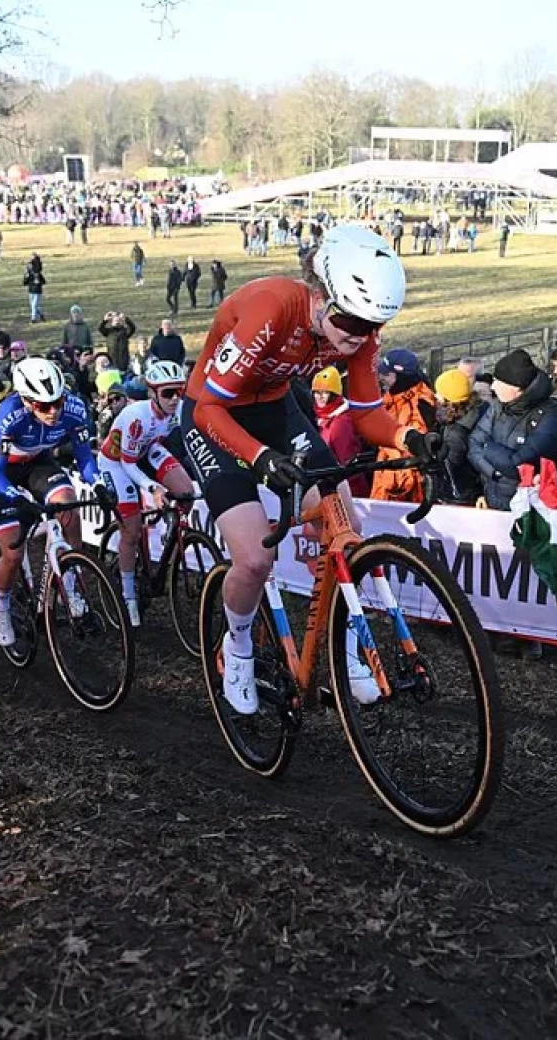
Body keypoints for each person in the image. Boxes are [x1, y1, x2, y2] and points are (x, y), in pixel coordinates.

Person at [179, 224, 434, 714]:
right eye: (349, 323)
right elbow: (211, 410)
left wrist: (408, 437)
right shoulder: (271, 308)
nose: (355, 339)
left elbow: (365, 413)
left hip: (276, 409)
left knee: (346, 526)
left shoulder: (359, 328)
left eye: (368, 327)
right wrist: (258, 458)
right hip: (213, 414)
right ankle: (237, 646)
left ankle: (339, 646)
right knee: (255, 559)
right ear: (321, 294)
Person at [0, 357, 103, 647]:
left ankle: (71, 588)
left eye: (58, 401)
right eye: (43, 406)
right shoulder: (8, 413)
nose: (53, 411)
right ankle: (0, 608)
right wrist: (16, 497)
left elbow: (85, 458)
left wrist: (99, 484)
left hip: (38, 462)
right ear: (25, 400)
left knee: (69, 506)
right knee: (12, 555)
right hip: (2, 469)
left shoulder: (74, 408)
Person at [96, 360, 195, 627]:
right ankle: (128, 597)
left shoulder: (179, 409)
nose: (175, 399)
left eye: (179, 391)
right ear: (153, 393)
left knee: (186, 492)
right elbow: (128, 463)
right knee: (131, 529)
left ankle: (167, 530)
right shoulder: (136, 416)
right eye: (167, 393)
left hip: (148, 449)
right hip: (116, 462)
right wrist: (152, 488)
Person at [467, 348, 557, 511]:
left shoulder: (551, 416)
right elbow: (474, 443)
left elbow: (520, 464)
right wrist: (494, 474)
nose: (493, 387)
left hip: (529, 509)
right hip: (493, 501)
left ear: (516, 387)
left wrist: (487, 447)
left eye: (497, 382)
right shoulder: (497, 407)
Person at [369, 348, 437, 503]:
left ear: (401, 377)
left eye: (387, 375)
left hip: (403, 482)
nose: (381, 378)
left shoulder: (420, 403)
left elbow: (417, 447)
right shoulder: (394, 396)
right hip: (387, 471)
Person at [310, 366, 370, 498]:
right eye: (316, 392)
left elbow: (346, 463)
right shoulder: (318, 417)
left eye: (325, 392)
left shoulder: (341, 423)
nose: (319, 397)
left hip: (348, 490)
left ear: (334, 394)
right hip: (328, 486)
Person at [433, 369, 484, 506]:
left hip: (458, 495)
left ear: (447, 399)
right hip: (475, 489)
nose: (435, 395)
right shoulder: (477, 412)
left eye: (439, 392)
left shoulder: (455, 431)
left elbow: (449, 467)